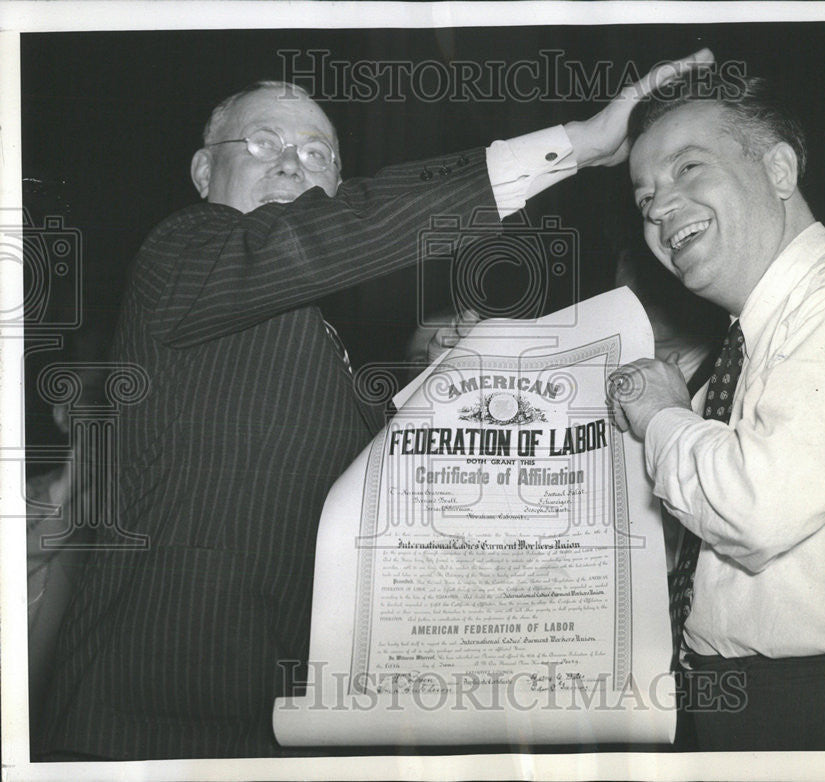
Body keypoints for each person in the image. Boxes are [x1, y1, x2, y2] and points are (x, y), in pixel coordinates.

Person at [39, 51, 712, 760]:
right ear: (206, 172)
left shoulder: (330, 358)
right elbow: (319, 238)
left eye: (316, 153)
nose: (293, 165)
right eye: (262, 143)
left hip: (287, 721)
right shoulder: (182, 254)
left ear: (334, 184)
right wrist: (571, 144)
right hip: (151, 718)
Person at [608, 71, 825, 750]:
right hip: (727, 698)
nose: (657, 209)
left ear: (777, 168)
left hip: (810, 712)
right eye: (645, 196)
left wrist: (658, 417)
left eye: (688, 169)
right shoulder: (736, 348)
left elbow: (755, 506)